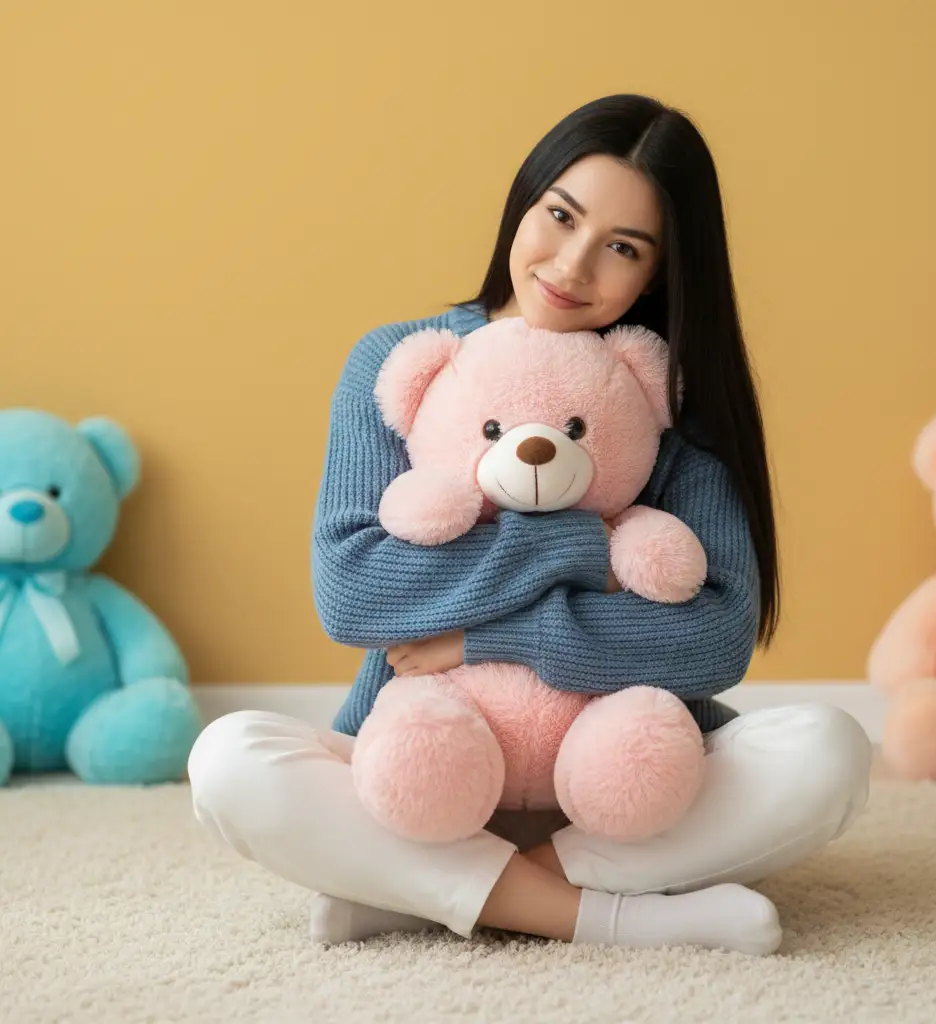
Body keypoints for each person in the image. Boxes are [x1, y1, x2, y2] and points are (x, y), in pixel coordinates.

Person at [188, 93, 873, 956]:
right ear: (526, 198)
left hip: (630, 785)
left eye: (621, 248)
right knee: (228, 760)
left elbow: (713, 639)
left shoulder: (666, 395)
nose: (572, 265)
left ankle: (435, 894)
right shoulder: (403, 361)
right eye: (560, 216)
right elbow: (354, 592)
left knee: (830, 751)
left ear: (656, 275)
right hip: (431, 771)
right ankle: (605, 917)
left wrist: (476, 640)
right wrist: (585, 547)